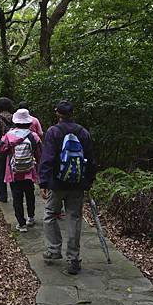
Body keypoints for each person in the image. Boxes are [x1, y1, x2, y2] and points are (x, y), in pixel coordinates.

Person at [39, 100, 97, 275]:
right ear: (72, 113)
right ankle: (73, 259)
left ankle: (53, 250)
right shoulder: (83, 133)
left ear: (58, 113)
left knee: (50, 214)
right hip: (77, 183)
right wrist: (88, 182)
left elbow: (47, 158)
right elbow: (91, 160)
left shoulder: (53, 132)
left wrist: (43, 182)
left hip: (57, 183)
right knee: (74, 217)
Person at [0, 108, 42, 233]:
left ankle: (21, 224)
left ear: (16, 121)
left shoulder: (9, 135)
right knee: (30, 194)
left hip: (13, 172)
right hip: (29, 171)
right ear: (28, 122)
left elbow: (0, 150)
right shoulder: (33, 136)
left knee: (17, 197)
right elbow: (39, 155)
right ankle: (31, 217)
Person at [0, 97, 14, 203]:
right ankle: (15, 195)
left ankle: (3, 196)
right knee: (13, 172)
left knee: (1, 173)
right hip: (13, 149)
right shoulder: (14, 118)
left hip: (2, 148)